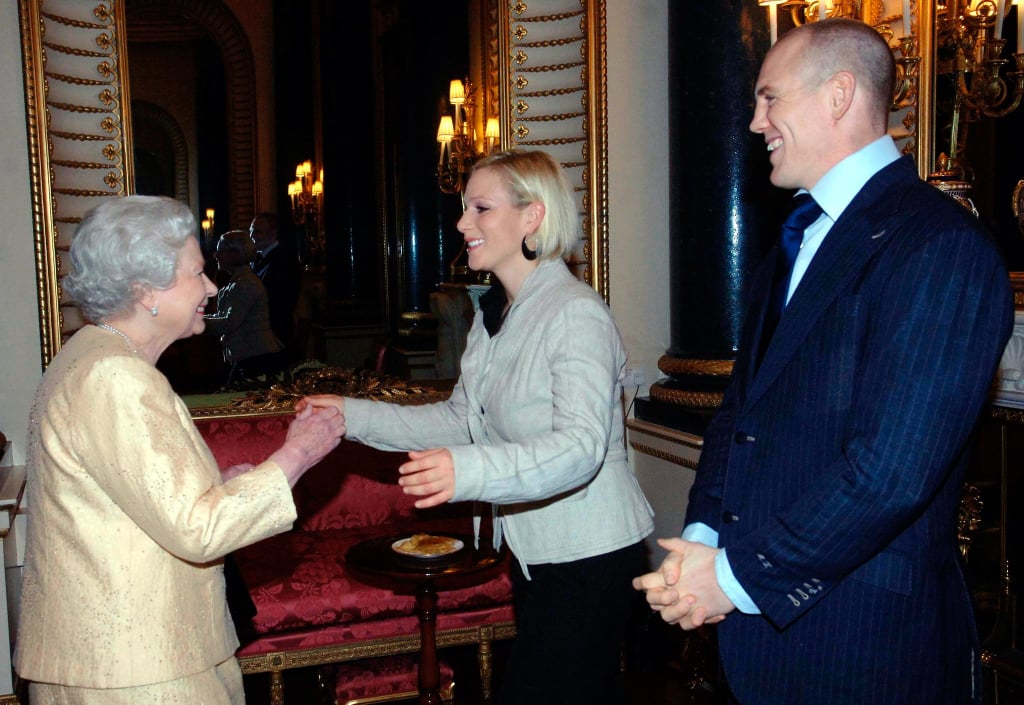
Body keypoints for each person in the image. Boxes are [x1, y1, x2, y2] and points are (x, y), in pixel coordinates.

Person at [632, 18, 1015, 705]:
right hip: (763, 640)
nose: (754, 123)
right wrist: (703, 537)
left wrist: (737, 577)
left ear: (838, 95)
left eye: (769, 98)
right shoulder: (790, 245)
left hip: (866, 646)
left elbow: (890, 471)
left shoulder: (940, 245)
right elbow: (737, 420)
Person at [302, 149, 654, 705]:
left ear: (532, 217)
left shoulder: (574, 313)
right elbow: (461, 419)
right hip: (540, 553)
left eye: (480, 208)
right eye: (465, 209)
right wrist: (351, 415)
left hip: (590, 553)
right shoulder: (497, 317)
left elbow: (582, 447)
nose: (463, 223)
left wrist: (466, 471)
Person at [14, 195, 346, 705]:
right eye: (197, 272)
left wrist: (219, 483)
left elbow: (123, 500)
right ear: (146, 288)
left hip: (115, 657)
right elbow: (199, 530)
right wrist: (298, 453)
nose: (211, 287)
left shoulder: (88, 354)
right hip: (141, 670)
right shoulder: (115, 377)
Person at [205, 229, 285, 384]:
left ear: (235, 254)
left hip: (257, 358)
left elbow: (229, 322)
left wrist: (193, 323)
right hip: (248, 356)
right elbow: (224, 316)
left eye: (221, 251)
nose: (215, 255)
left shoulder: (246, 283)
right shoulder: (238, 281)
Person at [249, 212, 300, 356]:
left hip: (275, 332)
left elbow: (278, 299)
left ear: (272, 234)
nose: (252, 236)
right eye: (251, 231)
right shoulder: (257, 259)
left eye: (257, 232)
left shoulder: (283, 259)